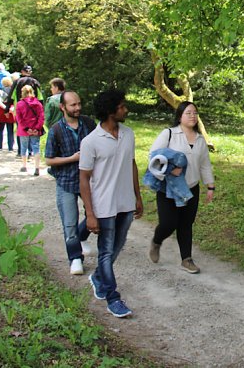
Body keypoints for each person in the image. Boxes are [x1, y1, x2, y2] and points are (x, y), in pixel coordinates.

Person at [79, 89, 143, 318]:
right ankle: (113, 298)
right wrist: (90, 213)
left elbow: (132, 164)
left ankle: (98, 277)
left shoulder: (128, 134)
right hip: (103, 205)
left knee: (117, 246)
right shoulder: (91, 142)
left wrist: (137, 196)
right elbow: (84, 178)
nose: (126, 109)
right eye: (122, 106)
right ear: (110, 111)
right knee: (106, 252)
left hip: (125, 202)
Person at [146, 101, 215, 274]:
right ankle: (157, 241)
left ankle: (186, 259)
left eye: (195, 113)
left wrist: (210, 186)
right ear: (180, 116)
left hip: (191, 188)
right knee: (168, 223)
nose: (193, 116)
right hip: (169, 188)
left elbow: (205, 165)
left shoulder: (200, 139)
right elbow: (153, 156)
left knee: (186, 224)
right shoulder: (169, 134)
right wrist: (170, 169)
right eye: (188, 113)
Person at [45, 90, 95, 276]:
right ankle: (75, 258)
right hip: (66, 182)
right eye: (73, 105)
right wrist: (72, 158)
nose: (77, 108)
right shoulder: (56, 130)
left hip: (89, 180)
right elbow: (49, 160)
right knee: (69, 223)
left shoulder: (89, 124)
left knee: (97, 212)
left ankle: (82, 236)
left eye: (79, 103)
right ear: (62, 107)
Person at [15, 84, 45, 175]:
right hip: (35, 129)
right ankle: (37, 167)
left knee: (23, 147)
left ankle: (24, 166)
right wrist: (37, 128)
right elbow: (41, 117)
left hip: (24, 130)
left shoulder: (19, 104)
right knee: (36, 147)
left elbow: (19, 119)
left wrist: (26, 128)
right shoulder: (38, 103)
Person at [0, 76, 16, 151]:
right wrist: (10, 109)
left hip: (1, 111)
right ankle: (10, 146)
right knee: (10, 129)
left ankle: (0, 145)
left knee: (0, 129)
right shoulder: (13, 91)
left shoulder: (0, 91)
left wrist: (5, 108)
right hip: (10, 111)